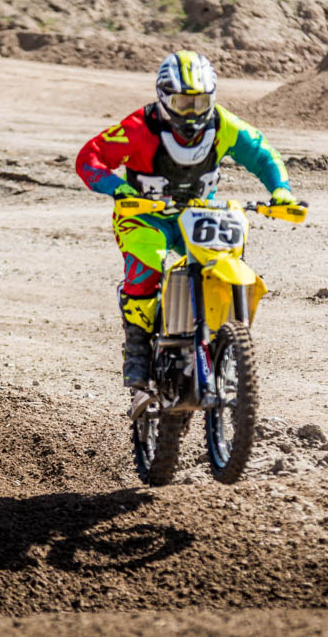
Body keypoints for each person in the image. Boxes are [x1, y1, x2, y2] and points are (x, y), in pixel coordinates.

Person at [76, 50, 301, 389]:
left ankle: (222, 340)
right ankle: (137, 350)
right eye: (183, 103)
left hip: (199, 214)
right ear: (164, 98)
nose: (192, 112)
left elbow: (262, 154)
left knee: (222, 264)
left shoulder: (223, 125)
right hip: (144, 217)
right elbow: (90, 157)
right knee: (146, 270)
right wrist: (117, 187)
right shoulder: (139, 128)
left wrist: (280, 190)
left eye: (200, 102)